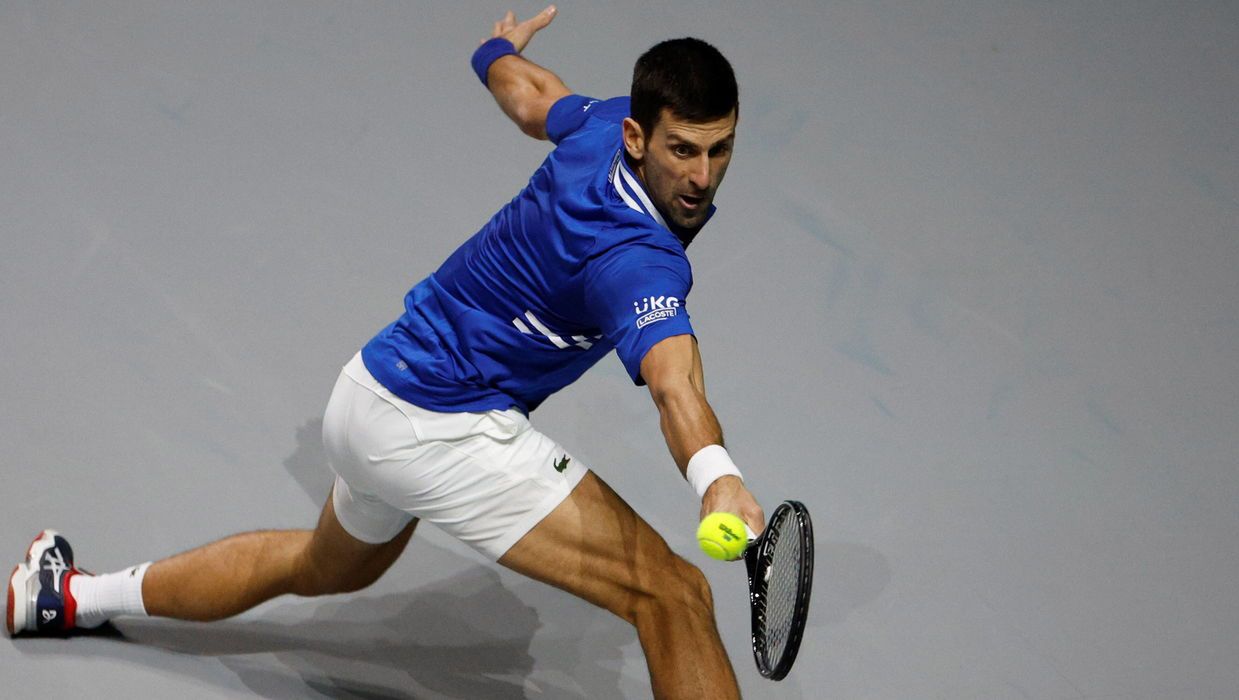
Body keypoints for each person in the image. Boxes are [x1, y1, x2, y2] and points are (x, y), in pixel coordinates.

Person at [7, 7, 765, 698]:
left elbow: (530, 97)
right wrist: (716, 477)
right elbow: (672, 379)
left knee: (323, 566)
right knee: (671, 594)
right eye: (682, 150)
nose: (701, 177)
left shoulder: (599, 125)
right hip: (445, 424)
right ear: (637, 138)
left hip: (369, 394)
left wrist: (493, 49)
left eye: (719, 149)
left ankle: (66, 595)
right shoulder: (640, 261)